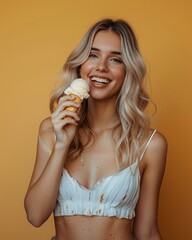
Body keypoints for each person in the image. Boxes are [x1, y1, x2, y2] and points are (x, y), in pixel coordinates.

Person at [24, 19, 167, 240]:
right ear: (80, 65)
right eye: (93, 55)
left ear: (128, 70)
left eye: (116, 59)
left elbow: (146, 232)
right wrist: (62, 144)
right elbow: (35, 215)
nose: (101, 66)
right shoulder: (51, 130)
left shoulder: (150, 145)